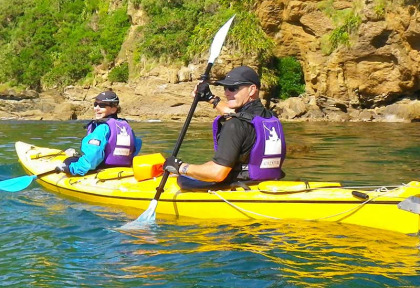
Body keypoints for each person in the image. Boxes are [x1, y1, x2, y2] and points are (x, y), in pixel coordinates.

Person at [163, 66, 286, 189]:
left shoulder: (234, 125)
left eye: (233, 88)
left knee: (182, 179)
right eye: (225, 88)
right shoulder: (270, 118)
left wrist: (180, 167)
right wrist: (210, 98)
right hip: (263, 183)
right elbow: (237, 115)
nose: (227, 92)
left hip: (238, 187)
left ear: (252, 90)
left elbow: (217, 173)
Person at [56, 90, 142, 176]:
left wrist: (71, 168)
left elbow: (93, 156)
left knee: (68, 161)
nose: (96, 108)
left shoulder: (102, 128)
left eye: (102, 105)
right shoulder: (126, 126)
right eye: (95, 104)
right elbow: (137, 144)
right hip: (123, 169)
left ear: (113, 109)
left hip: (102, 170)